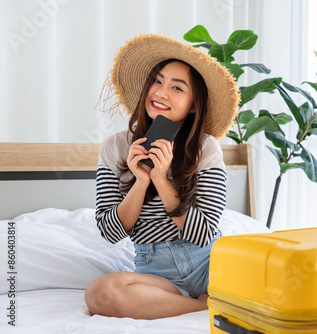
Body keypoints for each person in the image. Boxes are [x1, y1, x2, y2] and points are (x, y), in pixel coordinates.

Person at [84, 34, 239, 320]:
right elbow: (110, 232)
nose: (161, 92)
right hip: (157, 273)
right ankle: (205, 306)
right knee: (100, 294)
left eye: (176, 87)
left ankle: (216, 297)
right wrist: (141, 181)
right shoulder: (115, 148)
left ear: (194, 104)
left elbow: (203, 233)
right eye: (156, 81)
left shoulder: (206, 149)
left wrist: (162, 180)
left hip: (209, 263)